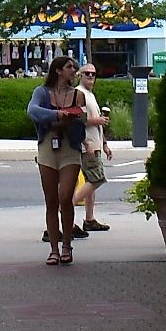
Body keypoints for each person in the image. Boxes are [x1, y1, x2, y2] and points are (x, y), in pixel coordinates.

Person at [26, 55, 89, 265]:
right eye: (70, 67)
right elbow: (32, 111)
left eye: (74, 67)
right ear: (58, 70)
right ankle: (54, 248)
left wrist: (70, 117)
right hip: (47, 146)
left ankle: (67, 245)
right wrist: (58, 115)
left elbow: (81, 118)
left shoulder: (78, 94)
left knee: (65, 197)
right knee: (51, 200)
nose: (74, 70)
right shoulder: (41, 92)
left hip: (70, 148)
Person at [74, 63, 113, 233]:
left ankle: (89, 219)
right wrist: (96, 122)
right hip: (86, 144)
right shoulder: (78, 93)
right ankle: (67, 206)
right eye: (87, 73)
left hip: (95, 143)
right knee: (97, 179)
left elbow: (97, 122)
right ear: (79, 75)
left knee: (92, 179)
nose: (90, 76)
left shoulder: (90, 95)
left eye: (93, 74)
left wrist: (104, 144)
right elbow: (77, 120)